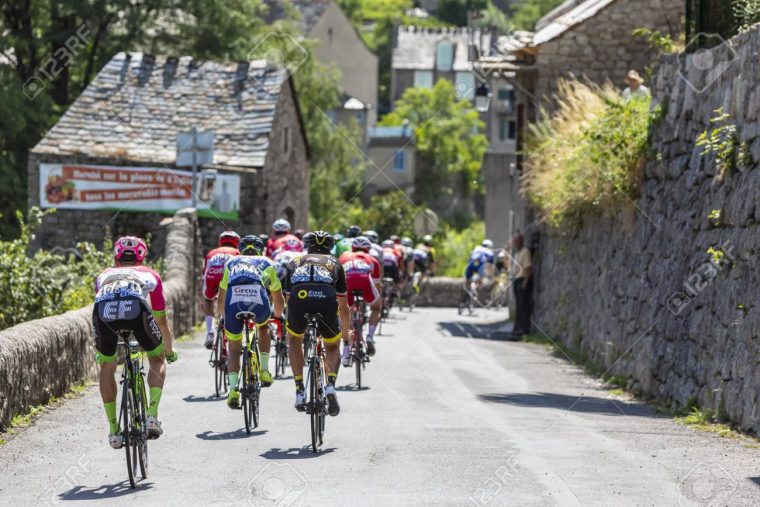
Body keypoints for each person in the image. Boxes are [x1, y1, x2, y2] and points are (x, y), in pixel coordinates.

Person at [93, 236, 176, 448]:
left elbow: (104, 301)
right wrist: (167, 349)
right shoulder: (151, 275)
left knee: (107, 365)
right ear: (142, 256)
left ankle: (113, 430)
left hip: (103, 311)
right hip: (136, 309)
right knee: (156, 359)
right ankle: (152, 416)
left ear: (116, 257)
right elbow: (161, 318)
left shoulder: (103, 275)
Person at [281, 231, 349, 416]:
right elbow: (344, 307)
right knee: (332, 345)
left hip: (299, 299)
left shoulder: (294, 262)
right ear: (330, 247)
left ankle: (299, 391)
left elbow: (287, 301)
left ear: (307, 246)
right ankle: (330, 387)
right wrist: (345, 337)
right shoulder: (335, 263)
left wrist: (295, 324)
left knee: (294, 339)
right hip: (325, 299)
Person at [216, 235, 285, 408]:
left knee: (233, 347)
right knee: (263, 327)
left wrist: (221, 316)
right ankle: (263, 370)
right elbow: (277, 295)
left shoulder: (231, 262)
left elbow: (221, 296)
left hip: (233, 303)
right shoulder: (268, 262)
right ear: (260, 250)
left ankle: (233, 390)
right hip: (258, 301)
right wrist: (277, 314)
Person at [339, 236, 382, 361]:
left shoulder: (343, 257)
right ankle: (370, 336)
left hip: (348, 282)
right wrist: (376, 300)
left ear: (352, 248)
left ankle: (346, 353)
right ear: (368, 249)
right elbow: (377, 284)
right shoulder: (372, 259)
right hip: (364, 281)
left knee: (346, 315)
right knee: (376, 307)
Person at [202, 231, 240, 349]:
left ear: (220, 241)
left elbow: (205, 272)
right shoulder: (237, 253)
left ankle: (210, 332)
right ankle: (233, 327)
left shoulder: (211, 253)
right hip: (229, 278)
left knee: (208, 299)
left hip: (213, 277)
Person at [509, 233, 533, 337]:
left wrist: (525, 282)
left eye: (516, 241)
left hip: (523, 280)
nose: (514, 243)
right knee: (519, 306)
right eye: (514, 241)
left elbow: (528, 268)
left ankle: (523, 329)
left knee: (523, 306)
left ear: (520, 241)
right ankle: (517, 329)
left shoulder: (525, 252)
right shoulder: (517, 253)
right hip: (517, 280)